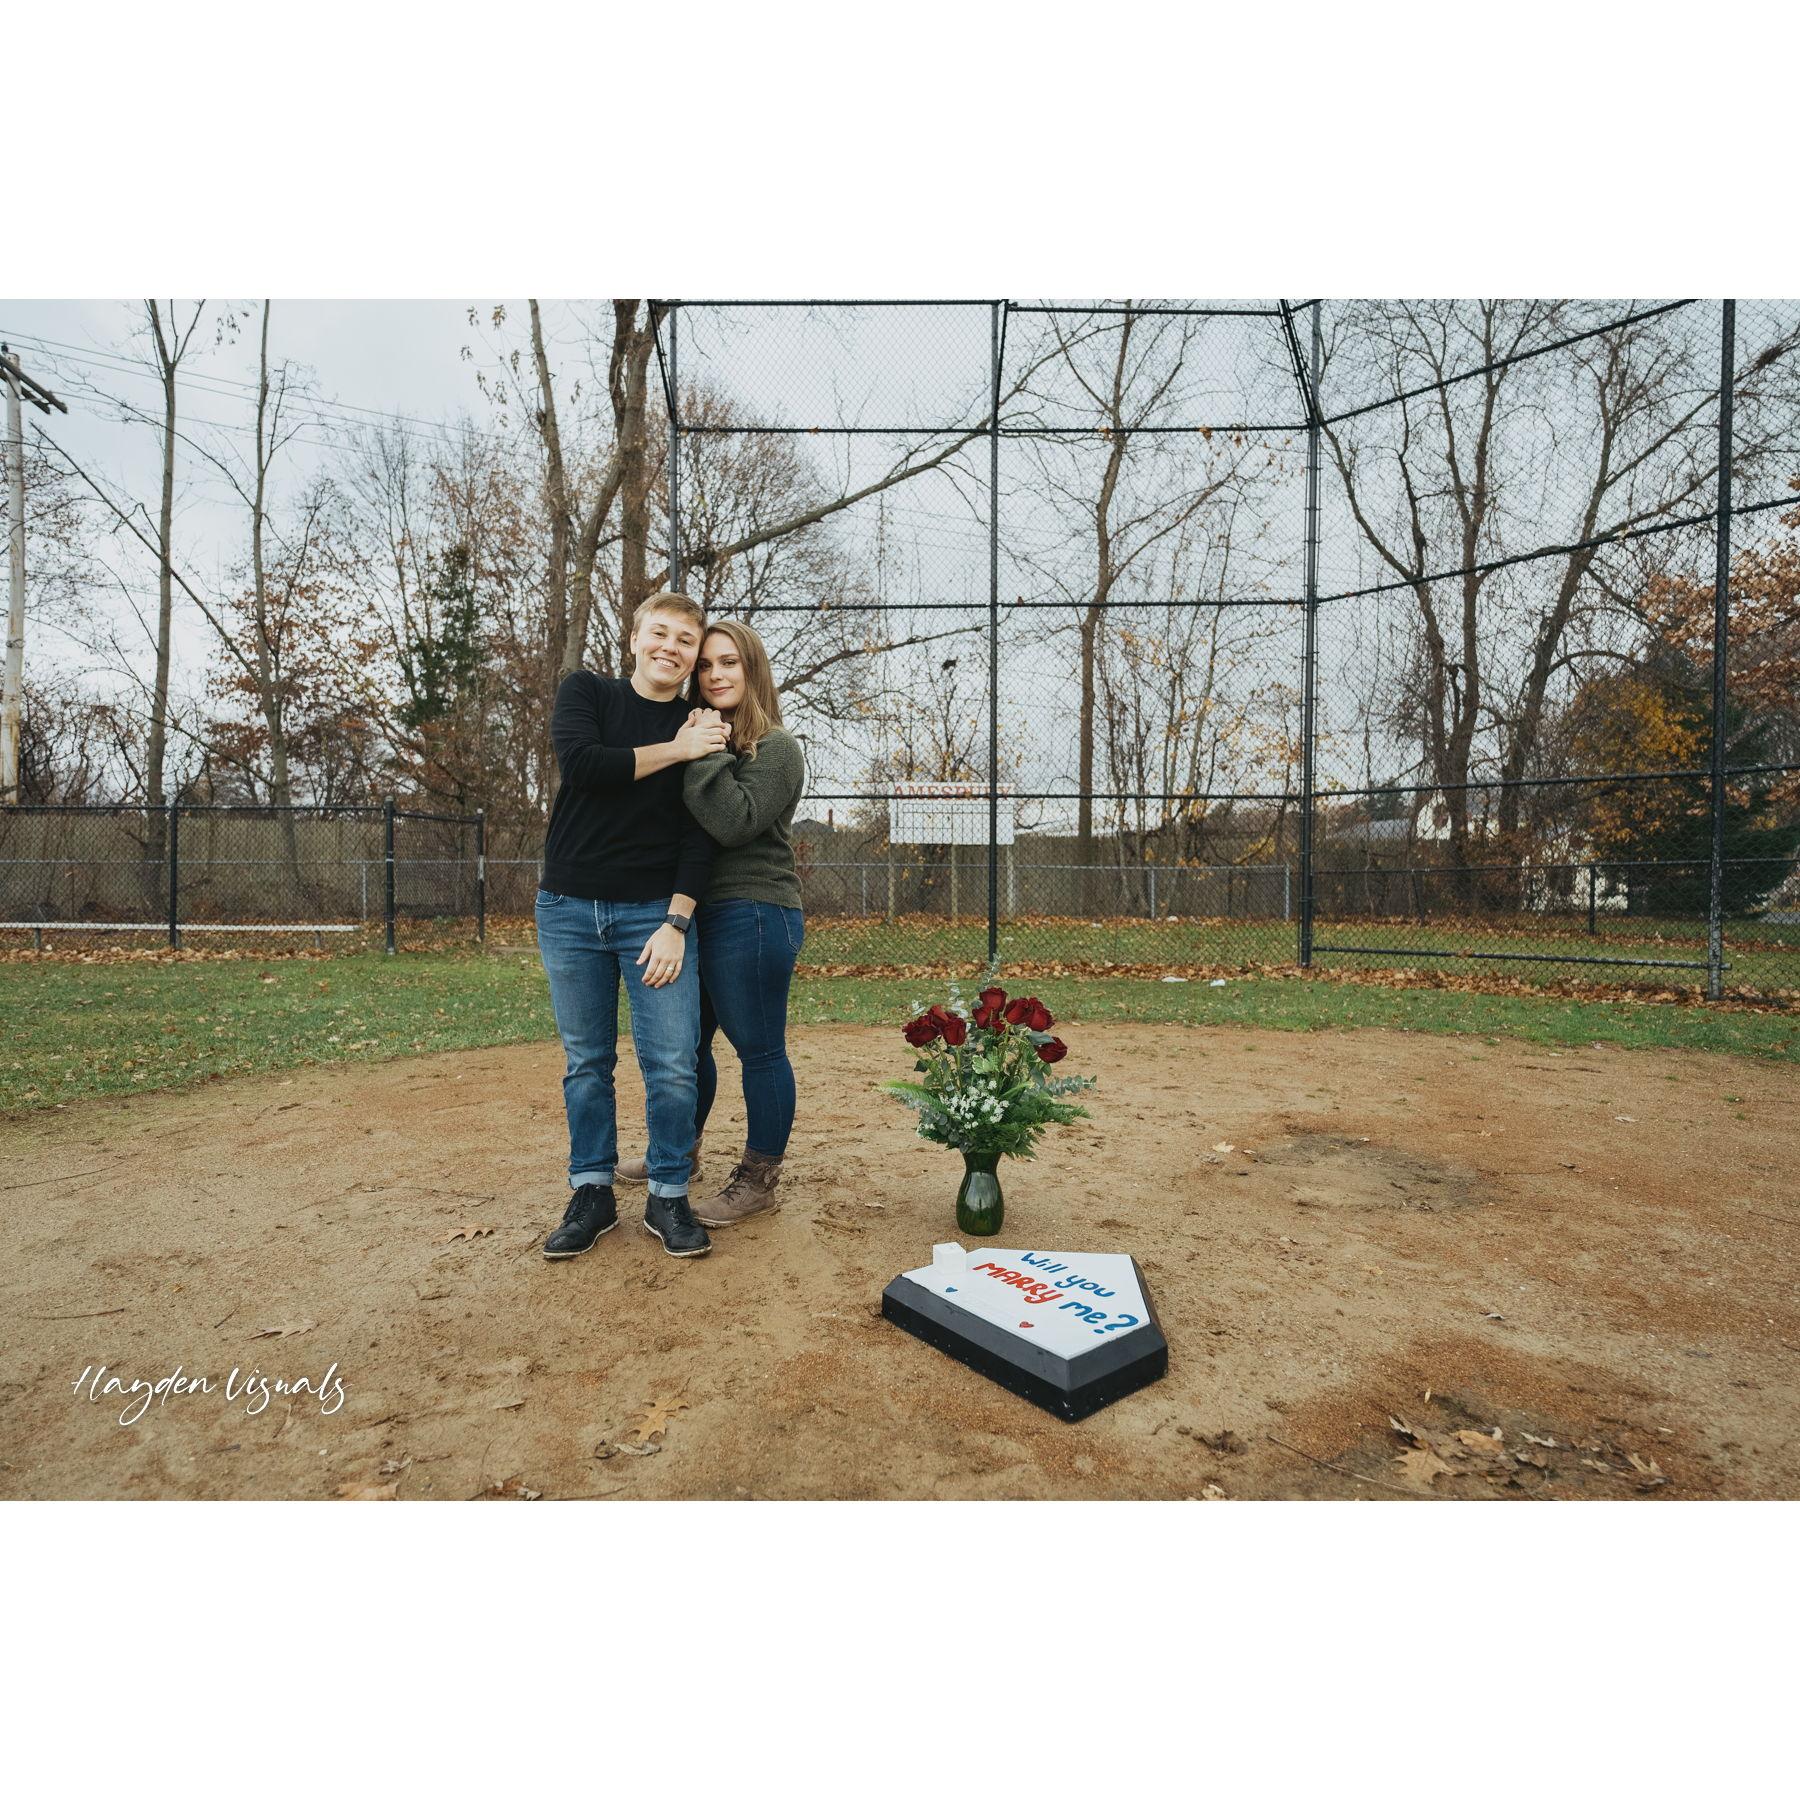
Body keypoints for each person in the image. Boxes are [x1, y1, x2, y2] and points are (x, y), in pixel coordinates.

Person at [535, 592, 729, 1262]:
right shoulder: (587, 692)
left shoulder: (703, 727)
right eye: (661, 633)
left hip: (654, 914)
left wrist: (677, 922)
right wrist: (677, 749)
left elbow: (700, 840)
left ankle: (669, 1194)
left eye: (685, 641)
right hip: (568, 909)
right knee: (586, 1062)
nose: (671, 648)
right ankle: (591, 1191)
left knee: (673, 1062)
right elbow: (585, 767)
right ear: (635, 638)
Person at [615, 619, 806, 1226]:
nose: (715, 675)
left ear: (753, 671)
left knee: (759, 1051)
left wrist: (702, 751)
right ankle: (681, 1150)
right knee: (690, 1043)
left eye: (730, 663)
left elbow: (732, 821)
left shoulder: (776, 747)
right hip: (694, 913)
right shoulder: (696, 734)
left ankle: (758, 1180)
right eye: (707, 665)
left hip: (754, 910)